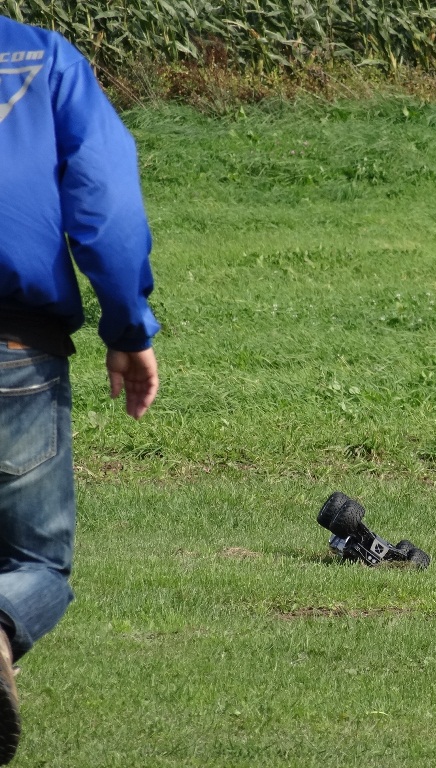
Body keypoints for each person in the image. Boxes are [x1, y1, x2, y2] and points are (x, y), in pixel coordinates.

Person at [0, 15, 160, 764]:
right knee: (36, 565)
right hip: (14, 348)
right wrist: (128, 326)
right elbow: (107, 203)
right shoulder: (41, 57)